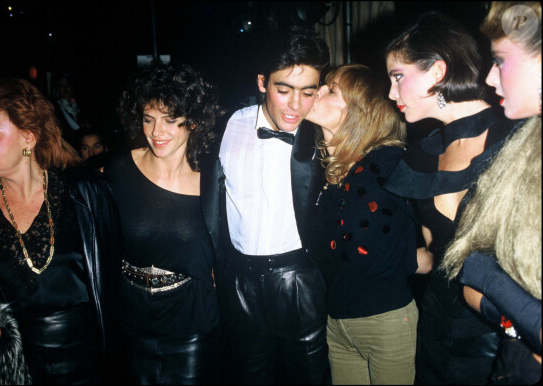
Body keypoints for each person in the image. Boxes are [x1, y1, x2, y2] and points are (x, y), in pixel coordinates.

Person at [383, 12, 520, 384]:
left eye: (398, 77)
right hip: (437, 329)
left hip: (504, 334)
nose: (392, 92)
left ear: (438, 71)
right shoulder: (421, 156)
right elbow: (435, 252)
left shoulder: (517, 137)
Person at [0, 78, 121, 384]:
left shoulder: (88, 194)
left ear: (29, 137)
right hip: (17, 368)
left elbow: (117, 281)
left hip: (92, 363)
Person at [217, 25, 331, 384]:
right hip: (238, 279)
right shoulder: (226, 127)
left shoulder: (325, 135)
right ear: (262, 82)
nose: (296, 105)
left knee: (310, 376)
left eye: (307, 92)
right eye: (284, 90)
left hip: (299, 278)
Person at [305, 63, 433, 385]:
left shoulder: (387, 162)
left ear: (360, 111)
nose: (316, 92)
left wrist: (419, 259)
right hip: (337, 322)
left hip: (385, 322)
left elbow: (439, 240)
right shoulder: (322, 171)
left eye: (330, 89)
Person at [103, 61, 223, 384]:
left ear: (193, 122)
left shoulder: (213, 180)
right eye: (148, 119)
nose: (157, 132)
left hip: (189, 321)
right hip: (131, 319)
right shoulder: (118, 171)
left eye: (171, 120)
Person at [442, 2, 541, 384]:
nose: (491, 78)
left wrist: (490, 279)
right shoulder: (526, 143)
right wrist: (518, 321)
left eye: (500, 61)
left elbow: (476, 268)